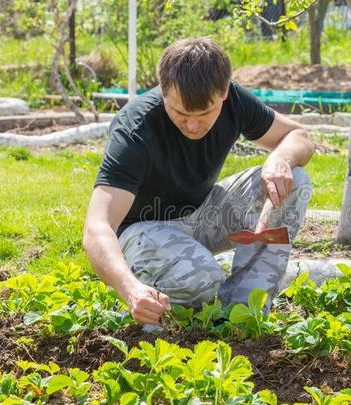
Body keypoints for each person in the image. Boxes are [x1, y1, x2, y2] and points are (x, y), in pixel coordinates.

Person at [83, 37, 314, 326]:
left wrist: (281, 159)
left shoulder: (236, 102)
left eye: (205, 114)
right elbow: (97, 227)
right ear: (163, 91)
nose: (192, 125)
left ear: (225, 93)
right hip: (142, 233)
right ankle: (151, 309)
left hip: (200, 215)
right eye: (180, 113)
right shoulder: (135, 129)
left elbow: (298, 136)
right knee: (203, 280)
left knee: (297, 180)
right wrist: (129, 290)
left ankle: (244, 313)